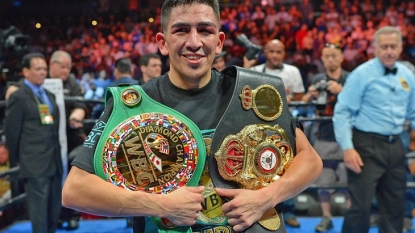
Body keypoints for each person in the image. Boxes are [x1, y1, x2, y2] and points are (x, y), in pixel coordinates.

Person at [62, 1, 322, 233]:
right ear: (163, 42)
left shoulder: (251, 92)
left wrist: (267, 197)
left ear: (219, 42)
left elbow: (310, 160)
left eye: (205, 30)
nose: (195, 42)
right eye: (181, 30)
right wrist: (161, 205)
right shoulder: (131, 106)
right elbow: (75, 190)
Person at [333, 26, 415, 233]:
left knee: (395, 206)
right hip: (365, 146)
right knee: (360, 207)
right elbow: (342, 112)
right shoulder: (361, 74)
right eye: (384, 46)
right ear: (375, 48)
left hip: (396, 144)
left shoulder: (408, 75)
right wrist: (347, 148)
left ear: (400, 48)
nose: (388, 51)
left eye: (393, 46)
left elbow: (414, 113)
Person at [244, 38, 305, 227]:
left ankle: (290, 212)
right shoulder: (254, 71)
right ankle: (262, 210)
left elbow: (300, 97)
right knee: (261, 169)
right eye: (271, 52)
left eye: (279, 52)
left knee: (290, 167)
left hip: (286, 126)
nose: (275, 56)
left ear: (284, 53)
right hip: (260, 129)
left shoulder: (292, 71)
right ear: (266, 52)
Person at [5, 52, 62, 233]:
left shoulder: (50, 96)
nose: (42, 72)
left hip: (53, 161)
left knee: (54, 210)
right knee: (39, 215)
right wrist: (17, 165)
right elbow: (12, 133)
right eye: (38, 69)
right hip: (34, 163)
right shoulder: (19, 96)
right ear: (25, 71)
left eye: (44, 69)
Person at [301, 43, 350, 232]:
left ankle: (349, 217)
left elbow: (359, 103)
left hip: (346, 137)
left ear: (341, 58)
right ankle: (326, 217)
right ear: (322, 59)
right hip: (323, 135)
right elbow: (304, 102)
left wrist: (341, 91)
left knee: (348, 180)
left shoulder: (349, 79)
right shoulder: (318, 78)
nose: (330, 59)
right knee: (324, 182)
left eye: (333, 56)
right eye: (326, 56)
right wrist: (310, 95)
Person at [49, 50, 86, 230]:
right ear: (52, 65)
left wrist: (76, 115)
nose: (66, 70)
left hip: (70, 138)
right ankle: (55, 215)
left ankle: (73, 215)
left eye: (68, 67)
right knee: (52, 177)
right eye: (62, 67)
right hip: (48, 138)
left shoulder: (72, 83)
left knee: (73, 174)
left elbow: (80, 105)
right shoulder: (43, 83)